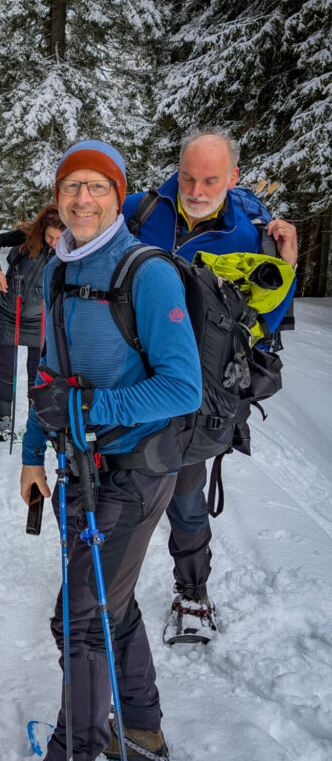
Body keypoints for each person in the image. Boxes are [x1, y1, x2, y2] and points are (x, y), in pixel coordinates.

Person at [0, 140, 202, 761]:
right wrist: (31, 453)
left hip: (135, 470)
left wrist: (92, 412)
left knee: (78, 620)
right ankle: (139, 733)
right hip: (78, 468)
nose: (81, 199)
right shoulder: (55, 268)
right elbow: (49, 370)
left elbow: (181, 385)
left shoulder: (149, 273)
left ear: (118, 195)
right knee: (111, 601)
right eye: (71, 187)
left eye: (96, 188)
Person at [122, 128, 298, 644]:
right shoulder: (139, 211)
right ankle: (105, 585)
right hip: (128, 380)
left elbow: (262, 325)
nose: (196, 190)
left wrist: (284, 266)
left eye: (211, 180)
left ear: (233, 178)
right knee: (113, 490)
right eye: (188, 177)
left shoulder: (251, 236)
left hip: (194, 394)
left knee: (185, 498)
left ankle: (192, 590)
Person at [0, 205, 64, 441]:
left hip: (39, 317)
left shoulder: (70, 247)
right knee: (7, 369)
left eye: (58, 238)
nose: (53, 242)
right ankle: (4, 421)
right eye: (50, 236)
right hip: (9, 311)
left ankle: (37, 421)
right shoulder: (27, 235)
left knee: (36, 372)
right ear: (42, 229)